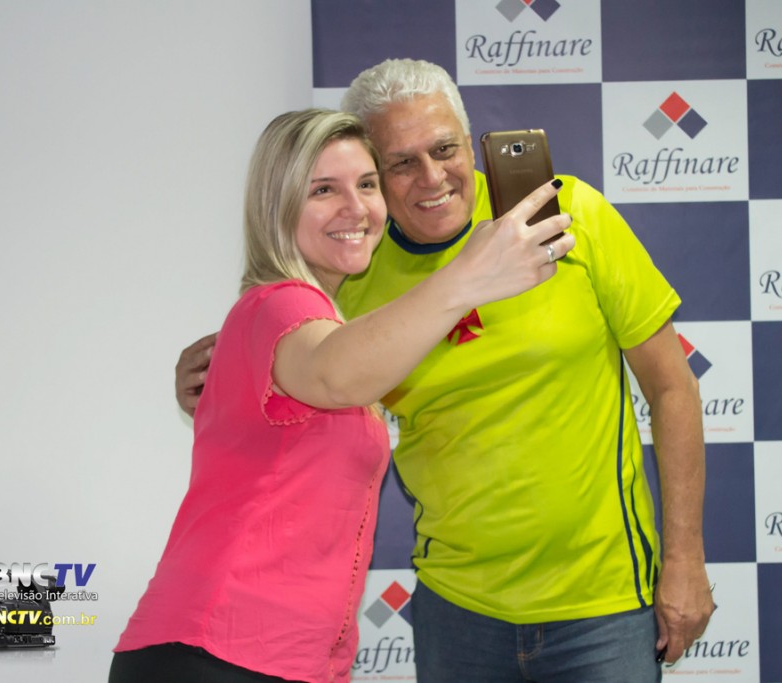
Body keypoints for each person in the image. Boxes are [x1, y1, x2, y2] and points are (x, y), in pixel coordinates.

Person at [175, 60, 715, 682]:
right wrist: (216, 372)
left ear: (471, 144)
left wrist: (685, 558)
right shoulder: (356, 267)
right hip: (456, 610)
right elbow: (293, 354)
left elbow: (672, 385)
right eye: (401, 163)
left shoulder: (566, 217)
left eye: (444, 149)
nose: (431, 177)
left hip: (605, 606)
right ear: (375, 175)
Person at [111, 108, 573, 683]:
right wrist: (466, 278)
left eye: (368, 185)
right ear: (278, 206)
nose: (356, 208)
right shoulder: (279, 303)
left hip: (282, 659)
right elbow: (335, 376)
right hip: (219, 652)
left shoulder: (316, 320)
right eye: (324, 190)